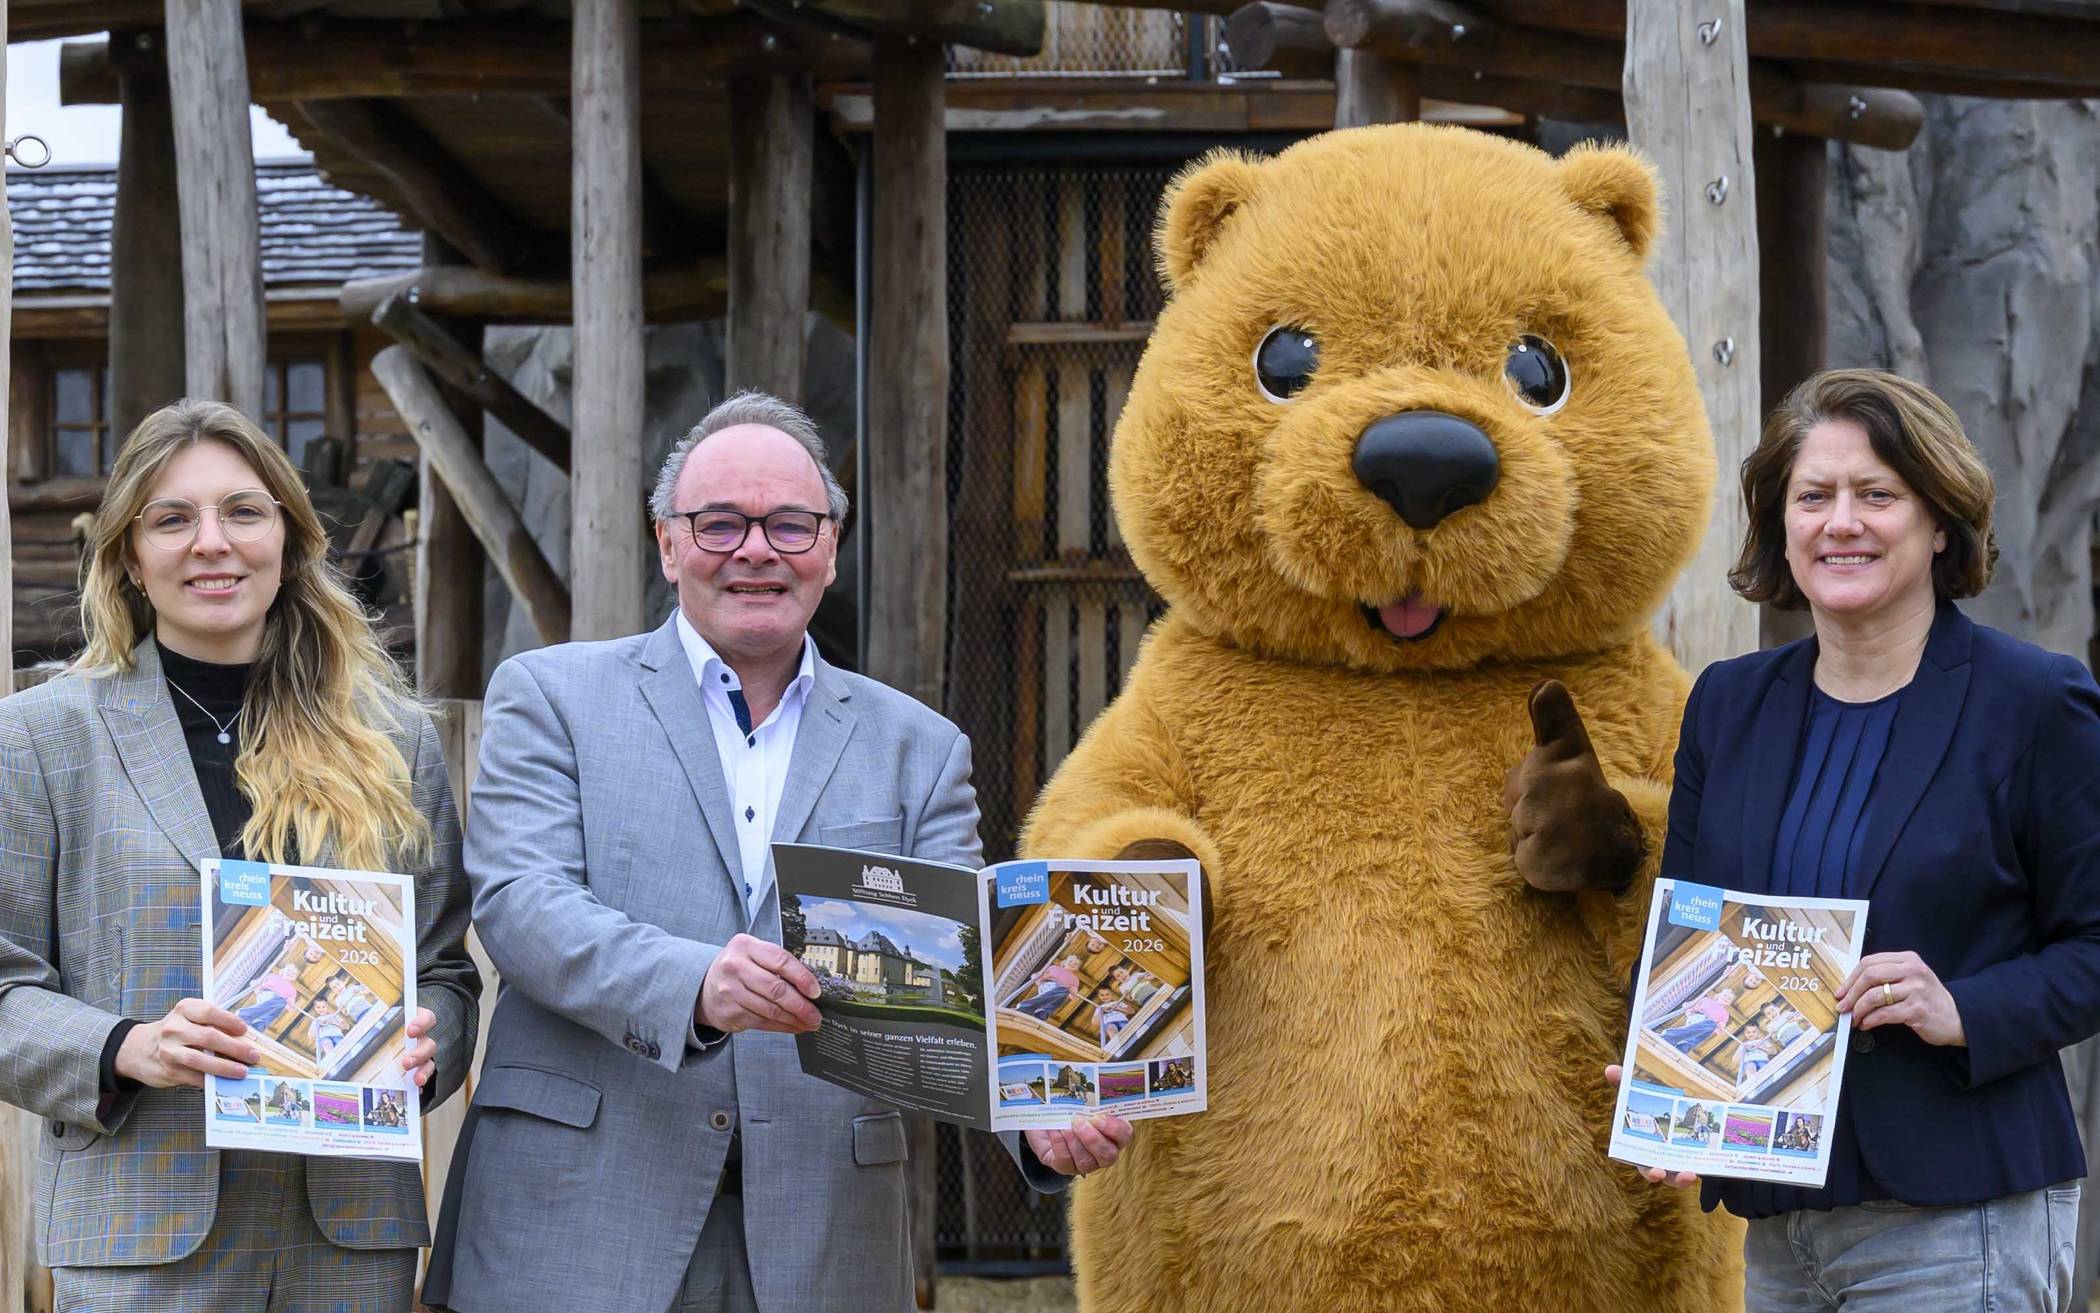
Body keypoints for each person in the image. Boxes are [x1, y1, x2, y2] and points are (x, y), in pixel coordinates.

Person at [423, 391, 1131, 1313]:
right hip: (579, 1219)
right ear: (667, 543)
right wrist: (694, 983)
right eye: (720, 523)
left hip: (823, 1235)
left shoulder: (920, 749)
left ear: (830, 548)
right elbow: (523, 903)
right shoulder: (553, 697)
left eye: (791, 525)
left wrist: (1039, 1117)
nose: (756, 549)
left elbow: (960, 995)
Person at [1619, 369, 2100, 1311]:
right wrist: (1670, 1076)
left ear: (1938, 522)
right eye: (1814, 496)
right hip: (1782, 1223)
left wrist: (1960, 1004)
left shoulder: (2036, 703)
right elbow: (1691, 936)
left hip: (1962, 1214)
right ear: (1780, 525)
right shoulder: (1729, 704)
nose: (1842, 521)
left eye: (1877, 494)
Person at [0, 399, 481, 1313]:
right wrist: (125, 1045)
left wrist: (427, 1048)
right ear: (130, 558)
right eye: (172, 519)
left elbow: (448, 971)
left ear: (291, 540)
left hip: (347, 1241)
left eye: (244, 512)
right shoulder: (40, 739)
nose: (211, 543)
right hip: (143, 1237)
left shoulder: (394, 742)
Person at [1659, 986, 1737, 1053]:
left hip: (1708, 1027)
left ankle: (1684, 1046)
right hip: (1698, 1017)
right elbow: (1689, 1005)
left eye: (1729, 998)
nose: (1726, 998)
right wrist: (1689, 1013)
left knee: (1708, 1029)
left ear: (1729, 1003)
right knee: (1710, 1023)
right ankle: (1670, 1035)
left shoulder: (1725, 1014)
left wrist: (1719, 1028)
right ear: (1719, 995)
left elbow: (1720, 1029)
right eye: (1724, 995)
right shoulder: (1707, 1000)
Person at [1017, 953, 1084, 1019]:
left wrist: (1073, 991)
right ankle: (1026, 1005)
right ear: (1064, 962)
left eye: (1075, 964)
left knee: (1062, 997)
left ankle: (1043, 1012)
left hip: (1061, 993)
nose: (1072, 964)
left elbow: (1073, 997)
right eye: (1070, 961)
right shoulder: (1054, 968)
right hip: (1049, 984)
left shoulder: (1075, 980)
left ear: (1077, 968)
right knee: (1062, 990)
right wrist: (1042, 978)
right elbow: (1035, 976)